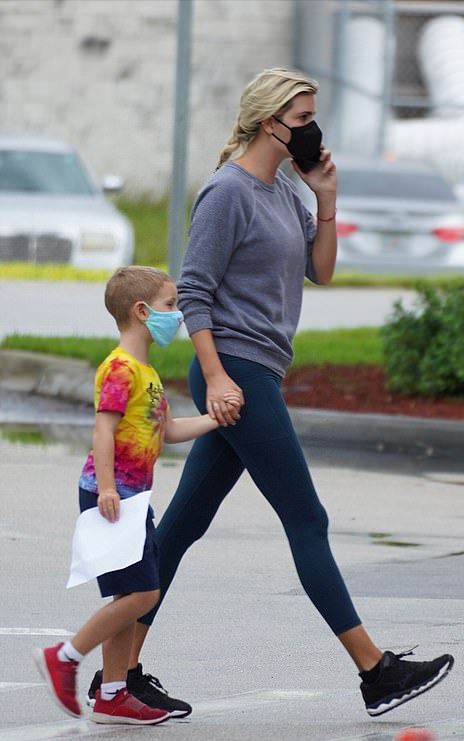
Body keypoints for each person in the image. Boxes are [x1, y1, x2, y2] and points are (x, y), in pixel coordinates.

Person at [87, 68, 454, 718]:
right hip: (237, 371)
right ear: (268, 121)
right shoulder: (226, 192)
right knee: (307, 519)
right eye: (302, 116)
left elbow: (323, 271)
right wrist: (219, 376)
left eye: (314, 116)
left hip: (256, 369)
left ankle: (120, 677)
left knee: (180, 527)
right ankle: (375, 670)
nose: (312, 128)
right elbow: (195, 290)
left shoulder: (285, 191)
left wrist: (327, 199)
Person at [33, 266, 239, 725]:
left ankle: (112, 695)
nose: (178, 315)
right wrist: (107, 487)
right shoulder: (120, 369)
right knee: (143, 593)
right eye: (170, 305)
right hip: (113, 497)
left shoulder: (146, 373)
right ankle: (64, 657)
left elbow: (166, 432)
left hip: (132, 497)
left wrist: (215, 419)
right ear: (142, 312)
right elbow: (103, 431)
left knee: (131, 593)